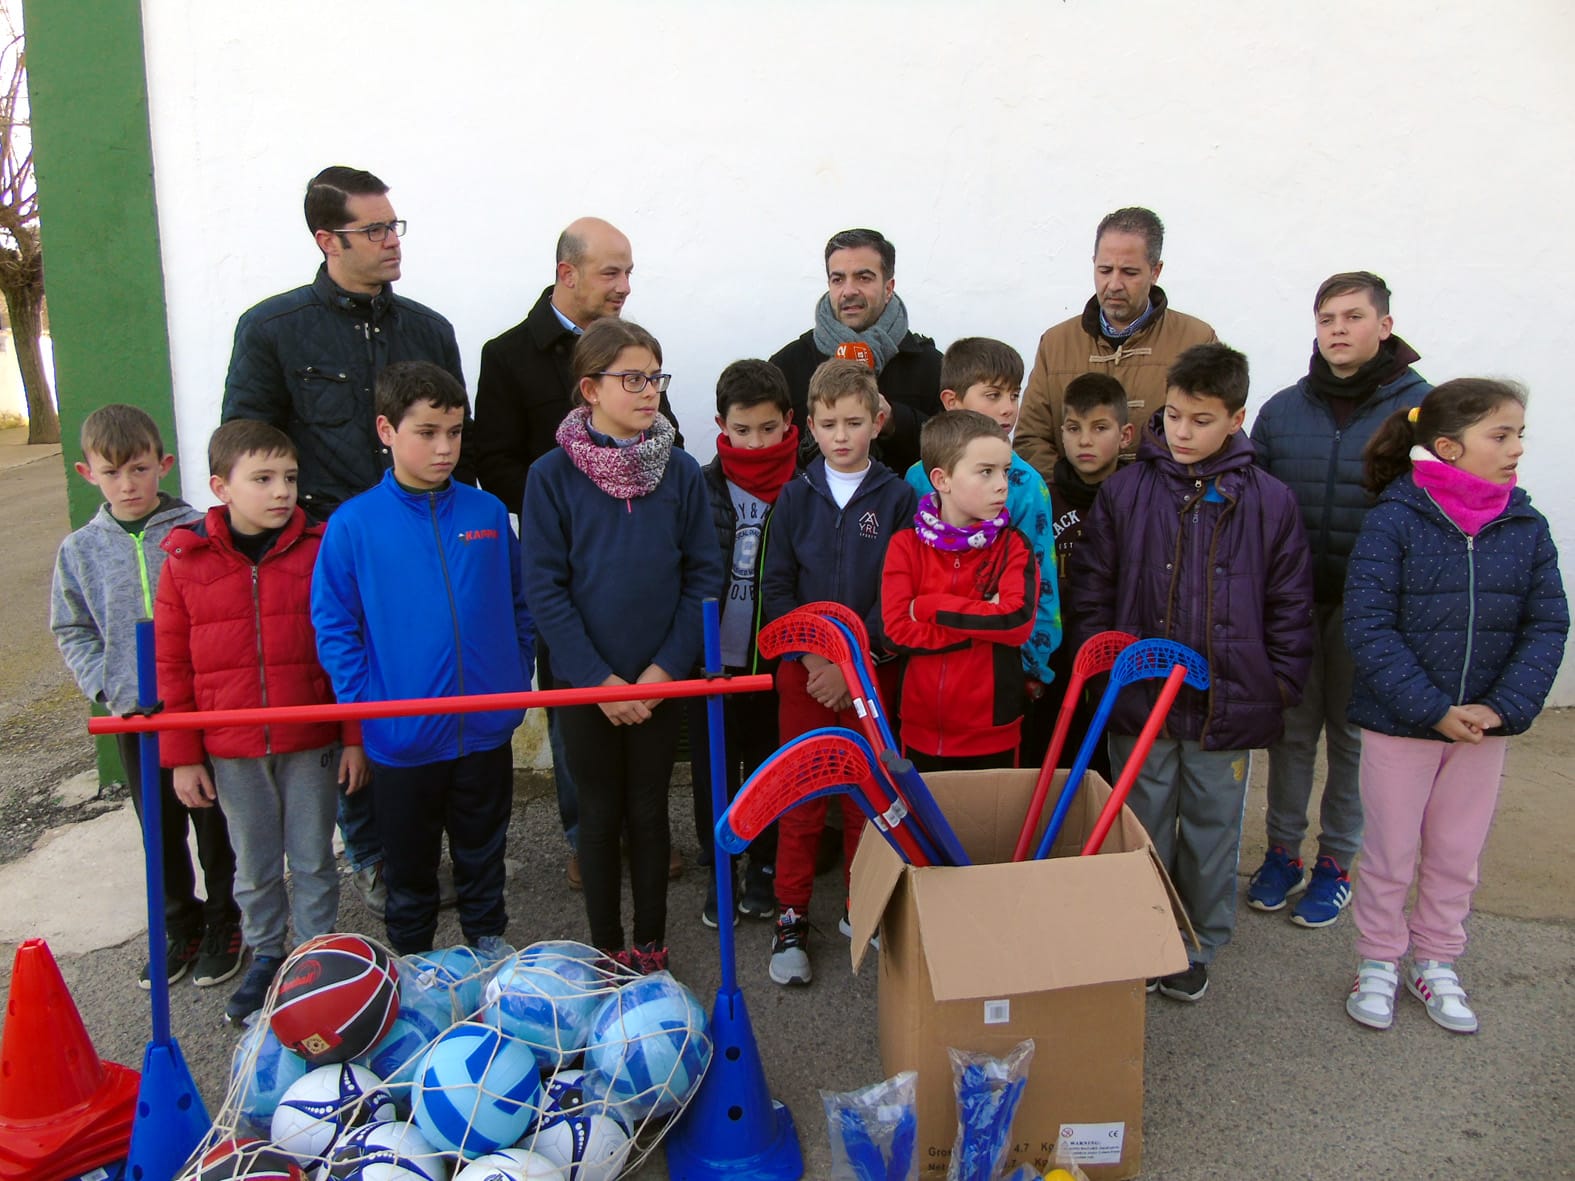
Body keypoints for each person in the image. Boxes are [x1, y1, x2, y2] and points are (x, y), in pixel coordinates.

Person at [222, 165, 469, 916]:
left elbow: (456, 431)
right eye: (375, 230)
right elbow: (248, 441)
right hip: (326, 544)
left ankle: (433, 847)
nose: (392, 241)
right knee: (349, 696)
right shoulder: (271, 329)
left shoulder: (427, 329)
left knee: (426, 684)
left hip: (418, 545)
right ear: (327, 239)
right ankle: (373, 851)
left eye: (396, 226)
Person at [1066, 344, 1315, 1003]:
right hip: (1139, 698)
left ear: (1235, 418)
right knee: (1138, 819)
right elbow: (1092, 586)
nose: (1181, 431)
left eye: (1199, 419)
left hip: (1226, 708)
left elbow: (1289, 604)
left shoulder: (1269, 502)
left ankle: (1194, 941)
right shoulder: (1125, 492)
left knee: (1211, 826)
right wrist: (1103, 672)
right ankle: (1135, 932)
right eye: (1173, 415)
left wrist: (1278, 685)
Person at [1342, 380, 1567, 1034]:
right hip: (1401, 725)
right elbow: (1368, 624)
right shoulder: (1394, 518)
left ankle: (1435, 958)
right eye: (1501, 435)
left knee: (1454, 852)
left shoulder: (1524, 525)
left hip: (1480, 732)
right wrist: (1432, 706)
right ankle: (1378, 960)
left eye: (1519, 433)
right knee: (1389, 850)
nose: (1516, 447)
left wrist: (1501, 707)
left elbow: (1547, 622)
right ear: (1447, 445)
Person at [473, 216, 683, 892]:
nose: (624, 286)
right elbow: (493, 457)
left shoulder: (635, 357)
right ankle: (582, 835)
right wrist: (569, 497)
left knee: (647, 716)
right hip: (565, 561)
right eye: (609, 272)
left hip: (638, 564)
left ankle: (645, 832)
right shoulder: (507, 354)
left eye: (628, 273)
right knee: (572, 705)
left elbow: (660, 446)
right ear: (567, 273)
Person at [521, 319, 722, 974]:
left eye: (655, 377)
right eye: (631, 378)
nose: (648, 391)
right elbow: (545, 588)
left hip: (661, 679)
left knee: (650, 808)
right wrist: (597, 681)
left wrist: (662, 670)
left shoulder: (682, 471)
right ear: (590, 388)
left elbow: (701, 576)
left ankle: (652, 942)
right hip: (586, 685)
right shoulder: (550, 476)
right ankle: (605, 946)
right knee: (599, 812)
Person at [312, 362, 533, 957]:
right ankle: (412, 971)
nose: (444, 448)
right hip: (402, 740)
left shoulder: (485, 514)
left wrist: (515, 672)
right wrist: (369, 707)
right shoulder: (354, 524)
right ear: (386, 430)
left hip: (486, 729)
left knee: (483, 854)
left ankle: (487, 952)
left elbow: (520, 599)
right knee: (409, 873)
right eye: (428, 432)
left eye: (455, 433)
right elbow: (334, 624)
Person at [154, 420, 367, 1023]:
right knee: (253, 862)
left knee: (314, 856)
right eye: (263, 479)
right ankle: (269, 956)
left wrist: (354, 736)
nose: (281, 492)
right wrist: (184, 754)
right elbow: (172, 666)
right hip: (232, 747)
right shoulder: (185, 562)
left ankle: (317, 955)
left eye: (290, 478)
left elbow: (345, 646)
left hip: (312, 740)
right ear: (221, 486)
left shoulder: (320, 550)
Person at [1246, 272, 1431, 928]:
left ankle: (1335, 864)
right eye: (1325, 318)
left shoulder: (1421, 410)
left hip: (1371, 608)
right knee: (1291, 733)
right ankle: (1279, 854)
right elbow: (1252, 506)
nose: (1336, 330)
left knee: (1350, 737)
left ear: (1383, 325)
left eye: (1352, 317)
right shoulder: (1281, 410)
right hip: (1294, 601)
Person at [50, 405, 240, 989]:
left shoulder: (199, 531)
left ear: (163, 464)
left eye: (138, 469)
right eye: (112, 474)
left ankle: (224, 921)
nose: (128, 485)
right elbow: (72, 627)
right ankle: (177, 924)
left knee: (214, 821)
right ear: (88, 474)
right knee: (158, 828)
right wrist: (108, 687)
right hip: (138, 716)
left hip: (203, 708)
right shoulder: (80, 550)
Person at [759, 357, 918, 986]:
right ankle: (791, 916)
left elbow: (900, 593)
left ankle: (862, 907)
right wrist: (813, 658)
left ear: (877, 421)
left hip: (870, 679)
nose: (843, 435)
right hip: (804, 675)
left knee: (868, 797)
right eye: (829, 423)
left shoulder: (899, 497)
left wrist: (855, 665)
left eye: (855, 421)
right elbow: (777, 588)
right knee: (801, 799)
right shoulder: (794, 497)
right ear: (812, 428)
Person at [901, 338, 1061, 761]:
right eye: (993, 395)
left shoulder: (1027, 488)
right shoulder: (917, 478)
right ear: (952, 401)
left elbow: (1039, 589)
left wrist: (1033, 665)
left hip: (1001, 673)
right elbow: (906, 597)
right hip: (928, 672)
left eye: (1014, 394)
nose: (1008, 408)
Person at [685, 359, 798, 928]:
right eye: (743, 430)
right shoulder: (699, 487)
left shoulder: (806, 486)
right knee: (715, 770)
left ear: (788, 422)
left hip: (779, 664)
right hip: (715, 664)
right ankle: (720, 866)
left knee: (770, 764)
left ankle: (765, 863)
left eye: (768, 429)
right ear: (721, 427)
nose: (757, 442)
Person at [884, 410, 1039, 769]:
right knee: (923, 828)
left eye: (1005, 471)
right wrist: (983, 623)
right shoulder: (905, 547)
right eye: (986, 472)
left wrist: (929, 607)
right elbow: (894, 634)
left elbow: (1015, 623)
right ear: (942, 479)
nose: (1002, 484)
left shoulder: (1013, 545)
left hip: (993, 732)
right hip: (918, 732)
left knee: (992, 827)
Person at [1014, 207, 1216, 482]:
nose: (1114, 284)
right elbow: (1031, 439)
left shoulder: (1196, 340)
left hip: (1162, 512)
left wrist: (1151, 496)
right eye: (1105, 270)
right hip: (1076, 514)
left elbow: (1211, 435)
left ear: (1155, 271)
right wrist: (1076, 493)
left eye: (1129, 272)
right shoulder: (1056, 342)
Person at [769, 228, 942, 477]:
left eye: (863, 277)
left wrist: (894, 420)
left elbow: (957, 452)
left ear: (888, 287)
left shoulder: (930, 366)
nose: (848, 291)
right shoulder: (788, 366)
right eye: (838, 279)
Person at [1041, 372, 1135, 779]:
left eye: (1100, 428)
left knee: (1107, 767)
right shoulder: (1042, 496)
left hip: (1113, 655)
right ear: (1060, 433)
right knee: (1050, 761)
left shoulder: (1138, 499)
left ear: (1125, 434)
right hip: (1053, 658)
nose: (1084, 441)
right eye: (1074, 428)